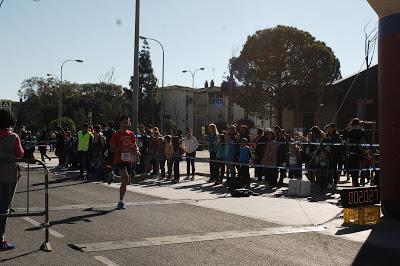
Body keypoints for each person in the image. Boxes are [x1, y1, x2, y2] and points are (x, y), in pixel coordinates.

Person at [0, 109, 24, 251]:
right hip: (8, 176)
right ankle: (0, 238)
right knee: (4, 208)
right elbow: (20, 153)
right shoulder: (13, 137)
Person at [108, 115, 138, 209]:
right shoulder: (116, 134)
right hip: (119, 159)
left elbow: (134, 146)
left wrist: (136, 151)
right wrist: (122, 148)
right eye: (124, 122)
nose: (126, 124)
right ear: (120, 123)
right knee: (125, 178)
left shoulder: (131, 134)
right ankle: (121, 201)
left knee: (127, 181)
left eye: (127, 122)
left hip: (128, 159)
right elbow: (112, 150)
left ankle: (114, 177)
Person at [342, 118, 368, 187]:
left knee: (353, 169)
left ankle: (354, 182)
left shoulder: (351, 132)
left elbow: (344, 137)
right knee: (362, 167)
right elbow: (367, 140)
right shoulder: (362, 131)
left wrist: (347, 128)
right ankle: (362, 180)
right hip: (361, 152)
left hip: (352, 152)